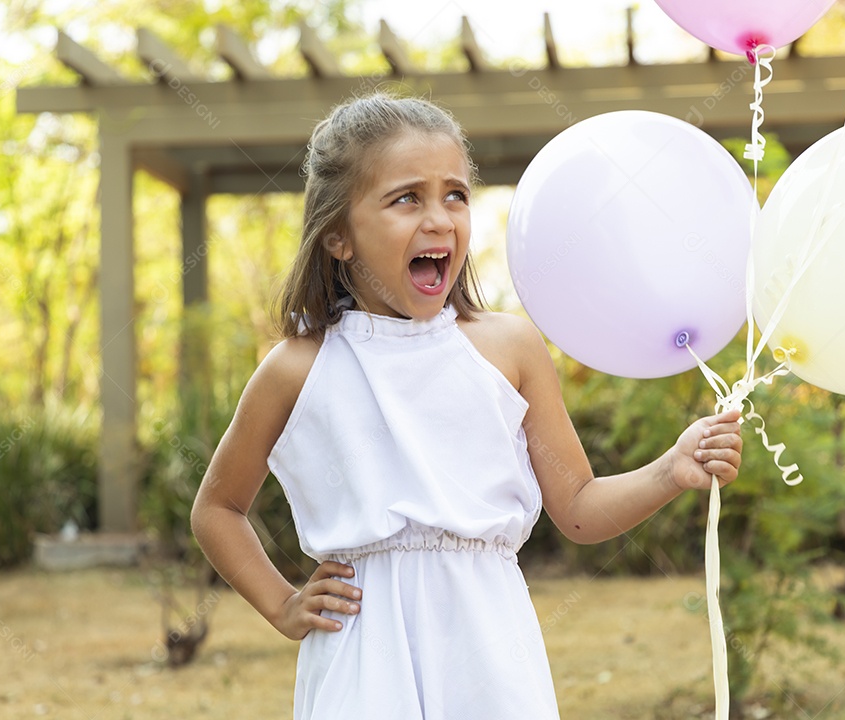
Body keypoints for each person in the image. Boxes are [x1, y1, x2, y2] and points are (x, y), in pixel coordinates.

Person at [190, 93, 743, 719]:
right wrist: (282, 604)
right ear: (338, 235)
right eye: (407, 198)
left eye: (456, 195)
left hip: (489, 653)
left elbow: (581, 510)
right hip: (363, 651)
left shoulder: (508, 348)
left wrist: (671, 468)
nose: (440, 219)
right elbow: (218, 507)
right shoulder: (298, 367)